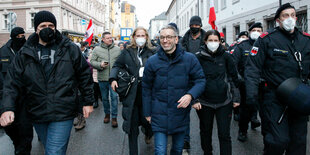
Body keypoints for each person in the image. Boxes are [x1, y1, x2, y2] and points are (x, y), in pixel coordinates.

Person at [0, 10, 94, 155]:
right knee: (50, 147)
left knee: (54, 152)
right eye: (43, 25)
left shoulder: (69, 48)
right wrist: (7, 108)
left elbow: (84, 75)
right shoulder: (25, 52)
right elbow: (12, 82)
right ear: (36, 29)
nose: (47, 29)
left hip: (63, 110)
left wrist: (87, 101)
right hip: (37, 111)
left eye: (51, 25)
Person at [245, 3, 310, 154]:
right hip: (274, 98)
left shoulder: (306, 40)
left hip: (299, 97)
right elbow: (252, 68)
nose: (290, 19)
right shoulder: (266, 40)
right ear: (278, 21)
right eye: (285, 16)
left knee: (298, 143)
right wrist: (251, 97)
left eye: (293, 15)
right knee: (277, 141)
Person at [142, 25, 206, 155]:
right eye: (162, 37)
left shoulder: (190, 59)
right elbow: (146, 88)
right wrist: (147, 112)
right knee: (160, 151)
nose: (165, 40)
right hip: (158, 113)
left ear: (176, 39)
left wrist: (190, 95)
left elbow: (200, 80)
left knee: (177, 150)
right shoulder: (152, 62)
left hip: (180, 113)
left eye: (169, 37)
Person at [192, 29, 240, 155]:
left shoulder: (227, 56)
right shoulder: (198, 57)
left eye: (216, 40)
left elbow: (233, 77)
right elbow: (192, 79)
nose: (213, 43)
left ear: (220, 41)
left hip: (224, 102)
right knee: (205, 132)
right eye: (210, 40)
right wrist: (194, 99)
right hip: (204, 102)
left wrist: (236, 97)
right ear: (205, 41)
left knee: (224, 134)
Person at [110, 27, 154, 155]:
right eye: (138, 35)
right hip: (132, 94)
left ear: (147, 37)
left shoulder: (153, 52)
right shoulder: (127, 52)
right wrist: (113, 78)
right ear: (134, 37)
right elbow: (117, 65)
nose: (140, 38)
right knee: (132, 127)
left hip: (147, 94)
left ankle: (148, 132)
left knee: (148, 122)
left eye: (143, 35)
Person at [0, 27, 33, 155]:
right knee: (10, 128)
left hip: (26, 98)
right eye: (18, 36)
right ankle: (17, 144)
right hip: (7, 96)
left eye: (22, 35)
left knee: (25, 131)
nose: (21, 38)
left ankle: (22, 150)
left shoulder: (29, 50)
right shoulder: (3, 52)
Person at [231, 22, 263, 142]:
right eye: (254, 30)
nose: (256, 32)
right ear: (249, 32)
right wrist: (240, 80)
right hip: (246, 84)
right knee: (246, 110)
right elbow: (233, 64)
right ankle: (242, 131)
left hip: (263, 83)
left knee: (266, 110)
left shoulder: (265, 44)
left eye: (259, 30)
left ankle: (266, 134)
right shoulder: (242, 46)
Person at [180, 15, 206, 150]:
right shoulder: (184, 40)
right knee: (185, 114)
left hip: (203, 80)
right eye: (193, 25)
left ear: (200, 26)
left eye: (197, 25)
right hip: (186, 79)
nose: (195, 27)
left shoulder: (207, 39)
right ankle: (185, 141)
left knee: (205, 116)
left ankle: (206, 144)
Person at [90, 32, 121, 128]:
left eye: (111, 37)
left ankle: (114, 117)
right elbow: (92, 62)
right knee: (104, 98)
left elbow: (121, 62)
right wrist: (100, 65)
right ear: (102, 39)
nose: (110, 39)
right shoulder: (97, 49)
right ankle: (107, 114)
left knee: (114, 97)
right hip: (102, 78)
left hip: (114, 79)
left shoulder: (117, 49)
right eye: (107, 38)